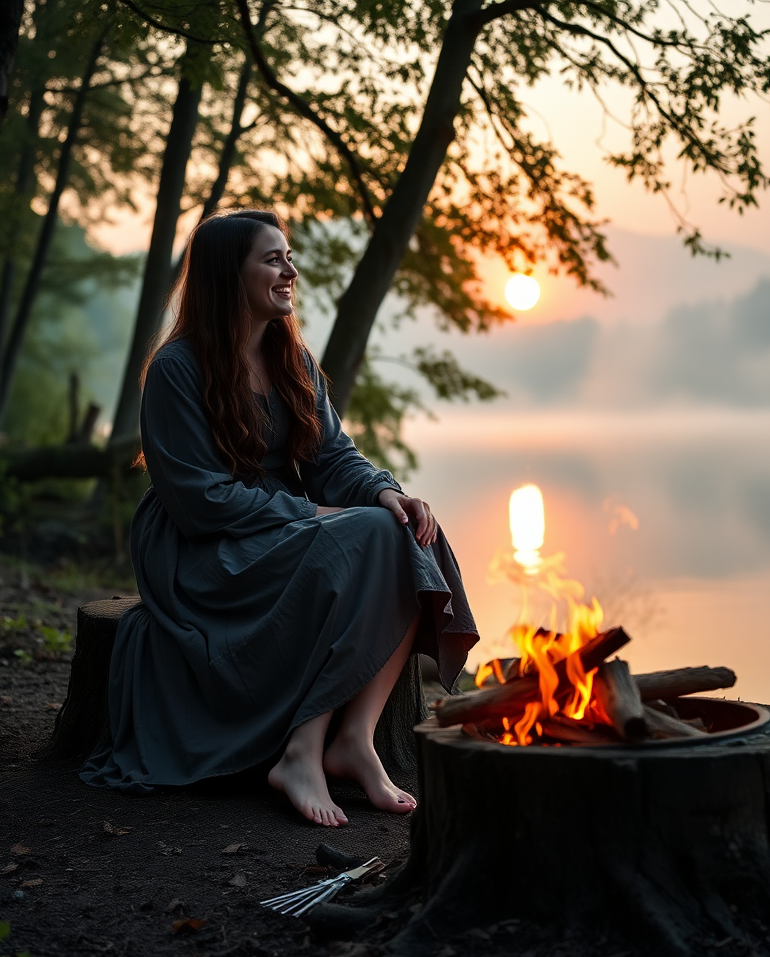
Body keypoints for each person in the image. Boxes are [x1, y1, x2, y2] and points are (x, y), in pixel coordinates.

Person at [81, 210, 479, 826]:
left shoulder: (291, 361)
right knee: (365, 538)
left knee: (402, 529)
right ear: (225, 275)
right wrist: (308, 514)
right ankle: (300, 752)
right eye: (273, 259)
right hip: (205, 549)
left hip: (280, 528)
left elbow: (334, 458)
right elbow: (199, 501)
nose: (290, 271)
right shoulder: (176, 370)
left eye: (287, 257)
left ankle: (354, 739)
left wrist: (384, 493)